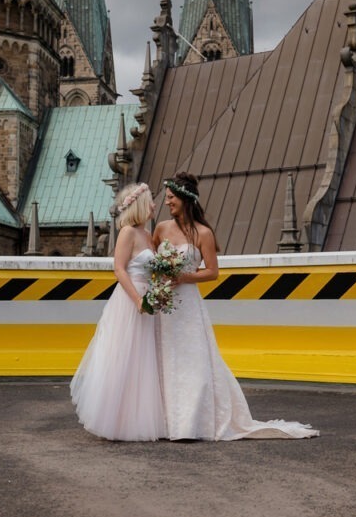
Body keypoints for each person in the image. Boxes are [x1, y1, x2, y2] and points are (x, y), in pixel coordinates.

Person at [152, 172, 318, 441]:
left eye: (171, 198)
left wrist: (184, 277)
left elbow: (212, 272)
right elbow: (151, 261)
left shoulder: (204, 233)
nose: (167, 203)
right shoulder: (160, 229)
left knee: (194, 362)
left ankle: (191, 423)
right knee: (164, 359)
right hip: (164, 305)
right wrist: (157, 284)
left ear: (184, 198)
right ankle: (164, 422)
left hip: (189, 307)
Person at [70, 182, 168, 441]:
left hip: (149, 297)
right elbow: (119, 269)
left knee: (143, 359)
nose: (155, 206)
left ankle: (137, 418)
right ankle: (116, 419)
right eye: (150, 201)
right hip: (130, 299)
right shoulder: (127, 233)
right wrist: (137, 300)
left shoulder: (148, 235)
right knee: (124, 357)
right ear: (138, 205)